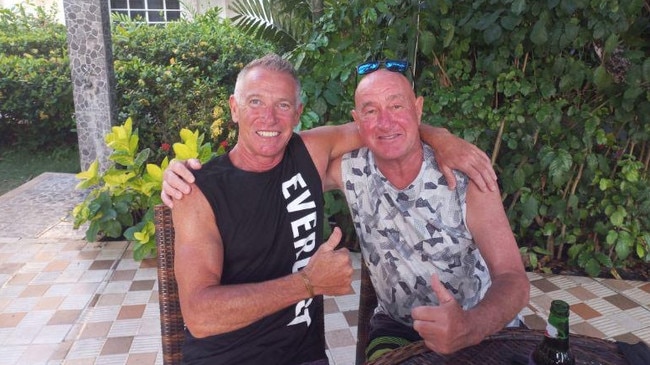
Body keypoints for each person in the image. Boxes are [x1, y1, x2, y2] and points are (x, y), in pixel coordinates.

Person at [166, 53, 500, 365]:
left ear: (297, 114)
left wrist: (442, 138)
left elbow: (384, 126)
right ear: (234, 107)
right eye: (255, 102)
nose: (269, 117)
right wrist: (307, 284)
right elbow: (200, 315)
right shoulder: (198, 190)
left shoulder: (310, 151)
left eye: (282, 105)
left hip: (304, 357)